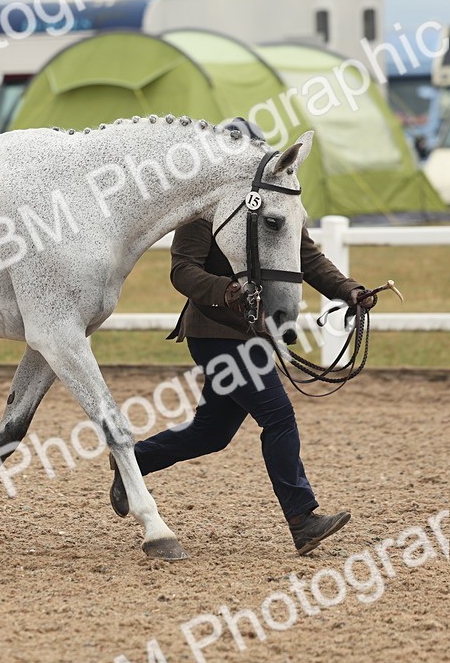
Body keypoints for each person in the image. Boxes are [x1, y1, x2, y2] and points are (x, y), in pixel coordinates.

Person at [109, 132, 378, 556]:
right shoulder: (201, 211)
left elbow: (305, 259)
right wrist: (227, 290)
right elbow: (182, 271)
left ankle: (134, 463)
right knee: (278, 417)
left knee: (210, 433)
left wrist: (350, 291)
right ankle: (302, 519)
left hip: (252, 336)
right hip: (214, 334)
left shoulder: (270, 201)